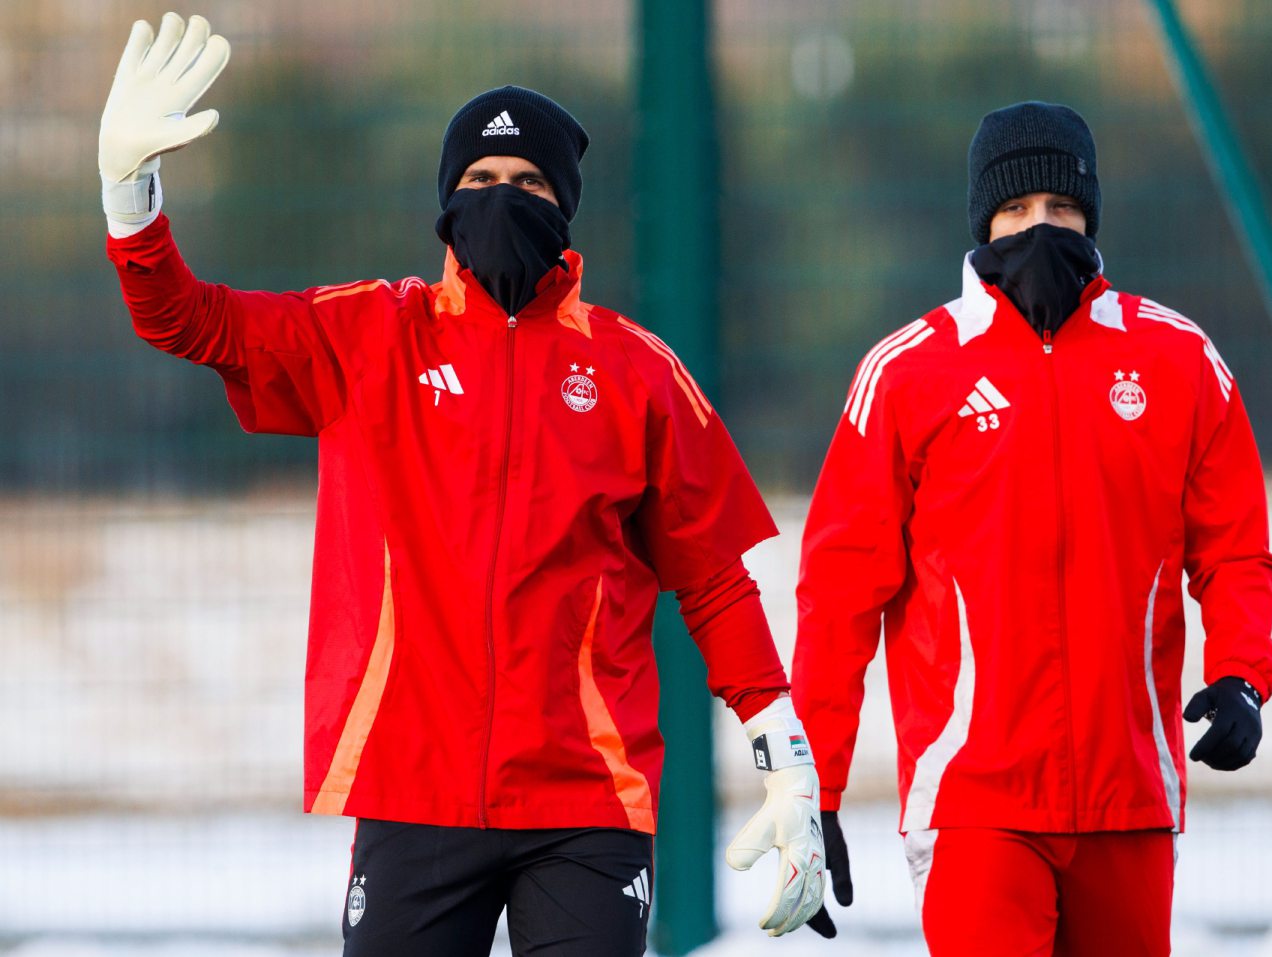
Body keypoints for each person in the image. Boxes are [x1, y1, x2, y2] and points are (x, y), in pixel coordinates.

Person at [98, 13, 825, 955]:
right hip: (413, 787)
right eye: (478, 182)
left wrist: (785, 761)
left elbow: (715, 581)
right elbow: (187, 321)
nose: (500, 197)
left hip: (587, 801)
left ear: (564, 207)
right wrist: (129, 200)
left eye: (526, 183)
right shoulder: (369, 334)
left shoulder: (637, 371)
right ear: (445, 201)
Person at [791, 101, 1272, 954]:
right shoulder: (908, 372)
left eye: (1061, 208)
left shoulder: (1180, 361)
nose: (1039, 227)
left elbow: (1236, 548)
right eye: (1016, 211)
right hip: (974, 803)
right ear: (982, 219)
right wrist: (815, 787)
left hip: (1131, 798)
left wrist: (1242, 672)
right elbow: (838, 594)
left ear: (1092, 216)